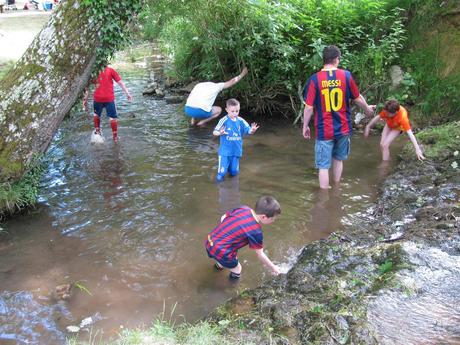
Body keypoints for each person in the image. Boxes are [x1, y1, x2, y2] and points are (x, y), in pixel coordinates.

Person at [302, 45, 375, 189]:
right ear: (336, 59)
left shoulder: (314, 79)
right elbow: (357, 98)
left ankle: (324, 201)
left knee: (323, 166)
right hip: (343, 128)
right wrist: (367, 110)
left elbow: (309, 107)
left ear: (324, 60)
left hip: (324, 130)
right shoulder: (346, 76)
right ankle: (336, 191)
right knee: (338, 159)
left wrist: (305, 126)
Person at [205, 195, 281, 280]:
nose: (273, 221)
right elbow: (260, 254)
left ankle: (215, 271)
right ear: (263, 217)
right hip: (222, 250)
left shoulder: (243, 208)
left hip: (210, 240)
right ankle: (230, 288)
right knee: (237, 269)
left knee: (223, 259)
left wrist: (227, 236)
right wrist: (274, 269)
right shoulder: (256, 231)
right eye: (272, 219)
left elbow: (223, 217)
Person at [213, 98, 259, 182]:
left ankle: (233, 189)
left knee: (234, 173)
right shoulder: (224, 120)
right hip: (225, 152)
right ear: (227, 110)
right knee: (221, 174)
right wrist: (220, 133)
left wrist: (252, 130)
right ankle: (218, 189)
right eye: (232, 111)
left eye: (237, 111)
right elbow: (214, 132)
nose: (235, 113)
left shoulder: (241, 121)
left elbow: (248, 131)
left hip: (236, 151)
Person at [83, 66, 132, 143]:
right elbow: (120, 83)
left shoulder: (94, 72)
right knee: (113, 118)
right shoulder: (111, 70)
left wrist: (85, 99)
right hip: (109, 98)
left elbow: (87, 87)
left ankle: (97, 132)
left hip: (98, 98)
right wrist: (127, 93)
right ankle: (115, 138)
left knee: (96, 115)